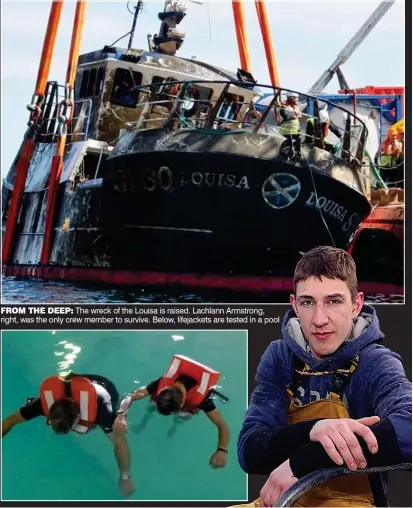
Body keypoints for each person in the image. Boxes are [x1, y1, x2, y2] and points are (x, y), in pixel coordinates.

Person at [236, 246, 412, 507]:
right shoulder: (279, 357)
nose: (319, 319)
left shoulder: (377, 362)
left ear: (356, 305)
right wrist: (315, 430)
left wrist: (302, 462)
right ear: (294, 305)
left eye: (333, 301)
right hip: (287, 500)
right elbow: (250, 450)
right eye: (308, 302)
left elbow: (409, 428)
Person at [1, 372, 135, 498]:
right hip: (78, 385)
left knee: (113, 430)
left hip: (104, 388)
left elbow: (120, 442)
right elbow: (10, 421)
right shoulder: (42, 404)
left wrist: (125, 478)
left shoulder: (102, 411)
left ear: (78, 418)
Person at [114, 354, 230, 469]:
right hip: (174, 399)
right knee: (152, 403)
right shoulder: (160, 383)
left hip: (190, 405)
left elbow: (222, 426)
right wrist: (121, 414)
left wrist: (222, 450)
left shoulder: (203, 400)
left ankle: (175, 426)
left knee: (187, 413)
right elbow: (129, 397)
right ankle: (146, 420)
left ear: (181, 404)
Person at [278, 91, 302, 160]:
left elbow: (299, 116)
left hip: (294, 131)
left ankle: (297, 153)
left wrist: (296, 113)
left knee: (298, 139)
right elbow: (286, 116)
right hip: (286, 130)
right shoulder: (284, 106)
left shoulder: (296, 107)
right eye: (296, 98)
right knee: (290, 140)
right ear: (292, 98)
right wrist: (295, 114)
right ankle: (284, 155)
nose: (298, 100)